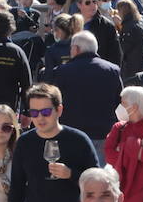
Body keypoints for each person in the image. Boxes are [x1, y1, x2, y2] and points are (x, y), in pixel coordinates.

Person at [50, 31, 123, 165]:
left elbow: (54, 103)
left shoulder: (62, 71)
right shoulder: (112, 70)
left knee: (73, 173)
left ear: (76, 49)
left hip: (72, 132)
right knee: (99, 174)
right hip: (103, 132)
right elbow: (119, 101)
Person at [74, 0, 122, 68]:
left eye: (94, 2)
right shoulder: (72, 24)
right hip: (76, 69)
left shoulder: (106, 26)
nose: (92, 5)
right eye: (88, 3)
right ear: (79, 5)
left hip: (99, 69)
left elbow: (115, 55)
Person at [116, 0, 143, 79]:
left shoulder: (128, 26)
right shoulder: (139, 20)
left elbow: (125, 47)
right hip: (142, 58)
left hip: (132, 63)